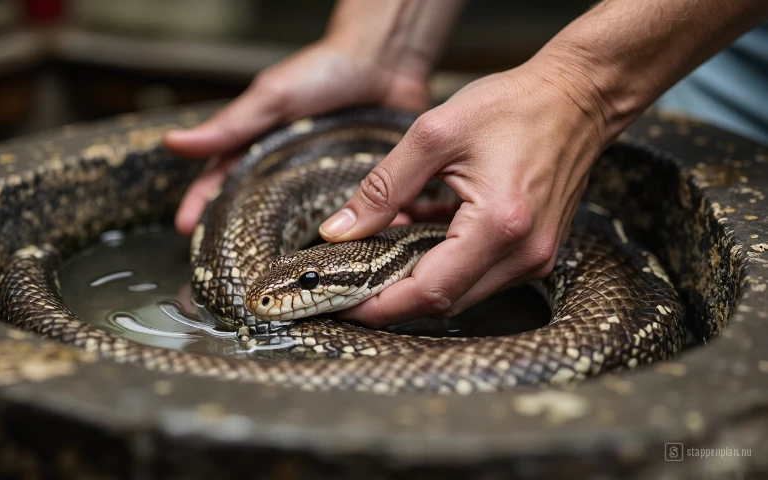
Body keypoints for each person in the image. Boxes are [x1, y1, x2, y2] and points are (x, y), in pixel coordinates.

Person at [164, 0, 768, 327]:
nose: (280, 294)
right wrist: (383, 41)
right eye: (305, 278)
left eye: (310, 282)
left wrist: (584, 92)